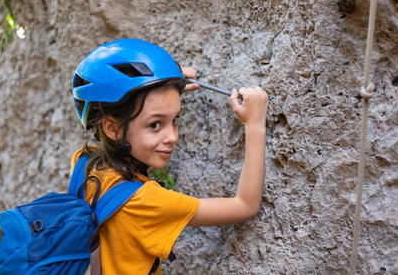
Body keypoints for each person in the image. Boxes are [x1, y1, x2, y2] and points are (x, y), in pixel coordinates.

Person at [71, 38, 268, 274]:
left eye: (174, 119)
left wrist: (162, 86)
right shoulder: (145, 202)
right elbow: (245, 205)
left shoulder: (84, 163)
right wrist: (255, 125)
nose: (172, 136)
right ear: (111, 129)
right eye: (155, 124)